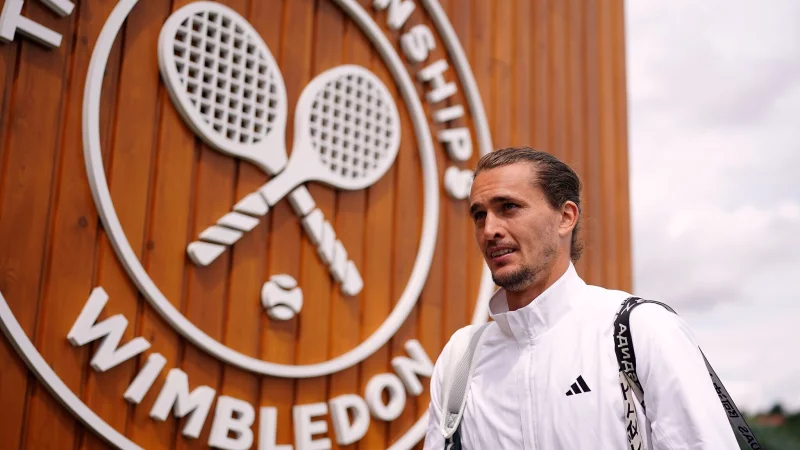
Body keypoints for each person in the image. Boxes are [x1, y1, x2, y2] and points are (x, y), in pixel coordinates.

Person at [423, 147, 739, 449]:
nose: (489, 229)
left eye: (509, 207)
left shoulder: (641, 330)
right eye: (479, 215)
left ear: (565, 217)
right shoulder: (460, 360)